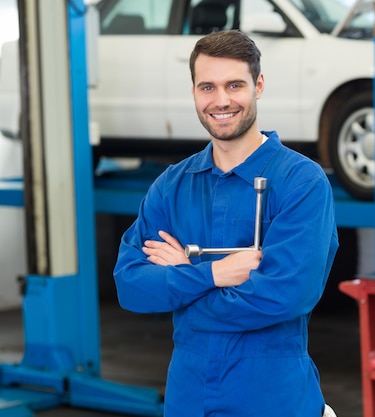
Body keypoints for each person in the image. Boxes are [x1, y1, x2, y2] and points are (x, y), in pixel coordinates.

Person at [113, 30, 339, 416]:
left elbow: (286, 295)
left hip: (272, 396)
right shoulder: (171, 186)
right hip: (189, 395)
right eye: (207, 87)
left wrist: (181, 293)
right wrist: (213, 274)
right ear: (194, 92)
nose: (220, 100)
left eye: (234, 85)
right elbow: (131, 287)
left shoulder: (301, 181)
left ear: (259, 85)